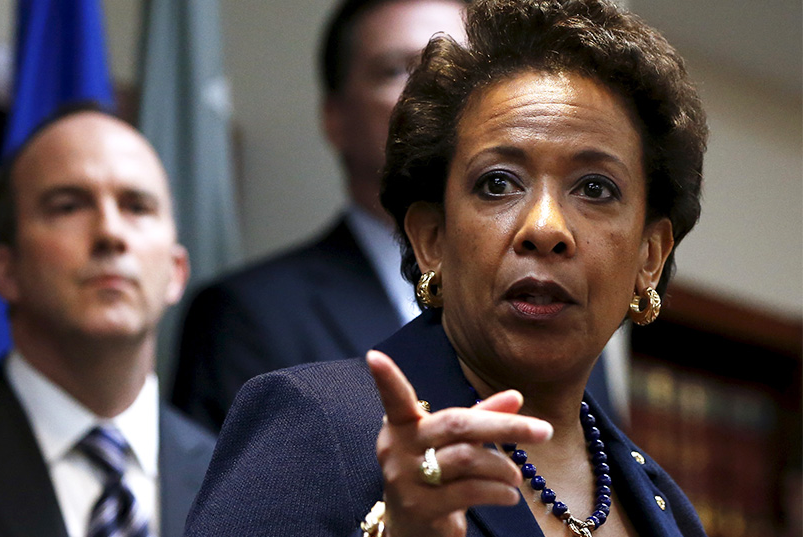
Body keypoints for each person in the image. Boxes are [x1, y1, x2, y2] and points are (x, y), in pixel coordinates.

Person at [185, 0, 708, 536]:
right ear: (432, 239)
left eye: (595, 188)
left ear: (649, 256)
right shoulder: (318, 424)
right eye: (498, 183)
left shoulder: (666, 506)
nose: (545, 227)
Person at [0, 108, 216, 537]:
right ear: (5, 269)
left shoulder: (243, 486)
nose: (110, 233)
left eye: (137, 207)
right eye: (68, 206)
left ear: (176, 271)